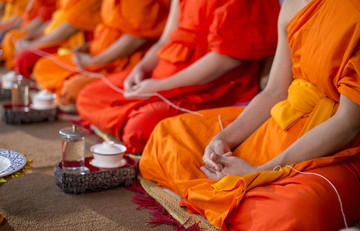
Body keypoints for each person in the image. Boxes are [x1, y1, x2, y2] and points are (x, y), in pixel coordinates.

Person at [139, 0, 360, 231]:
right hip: (280, 121)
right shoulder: (293, 4)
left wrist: (262, 171)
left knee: (291, 216)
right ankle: (236, 189)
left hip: (335, 146)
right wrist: (224, 137)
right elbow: (275, 91)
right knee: (167, 136)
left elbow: (349, 122)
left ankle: (238, 192)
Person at [76, 0, 280, 154]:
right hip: (163, 70)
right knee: (88, 95)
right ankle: (134, 113)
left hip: (212, 85)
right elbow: (167, 38)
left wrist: (161, 86)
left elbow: (227, 59)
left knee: (139, 129)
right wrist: (141, 68)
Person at [32, 0, 170, 107]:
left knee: (73, 89)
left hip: (122, 64)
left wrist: (94, 61)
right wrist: (90, 46)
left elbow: (136, 38)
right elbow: (108, 26)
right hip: (95, 54)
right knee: (43, 66)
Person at [12, 0, 101, 79]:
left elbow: (70, 27)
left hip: (74, 42)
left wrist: (33, 44)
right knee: (13, 40)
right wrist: (32, 38)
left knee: (25, 58)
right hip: (57, 36)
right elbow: (54, 19)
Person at [1, 0, 57, 68]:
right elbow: (20, 17)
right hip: (32, 30)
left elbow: (44, 19)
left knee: (13, 39)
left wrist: (31, 40)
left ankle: (12, 64)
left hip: (54, 40)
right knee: (11, 36)